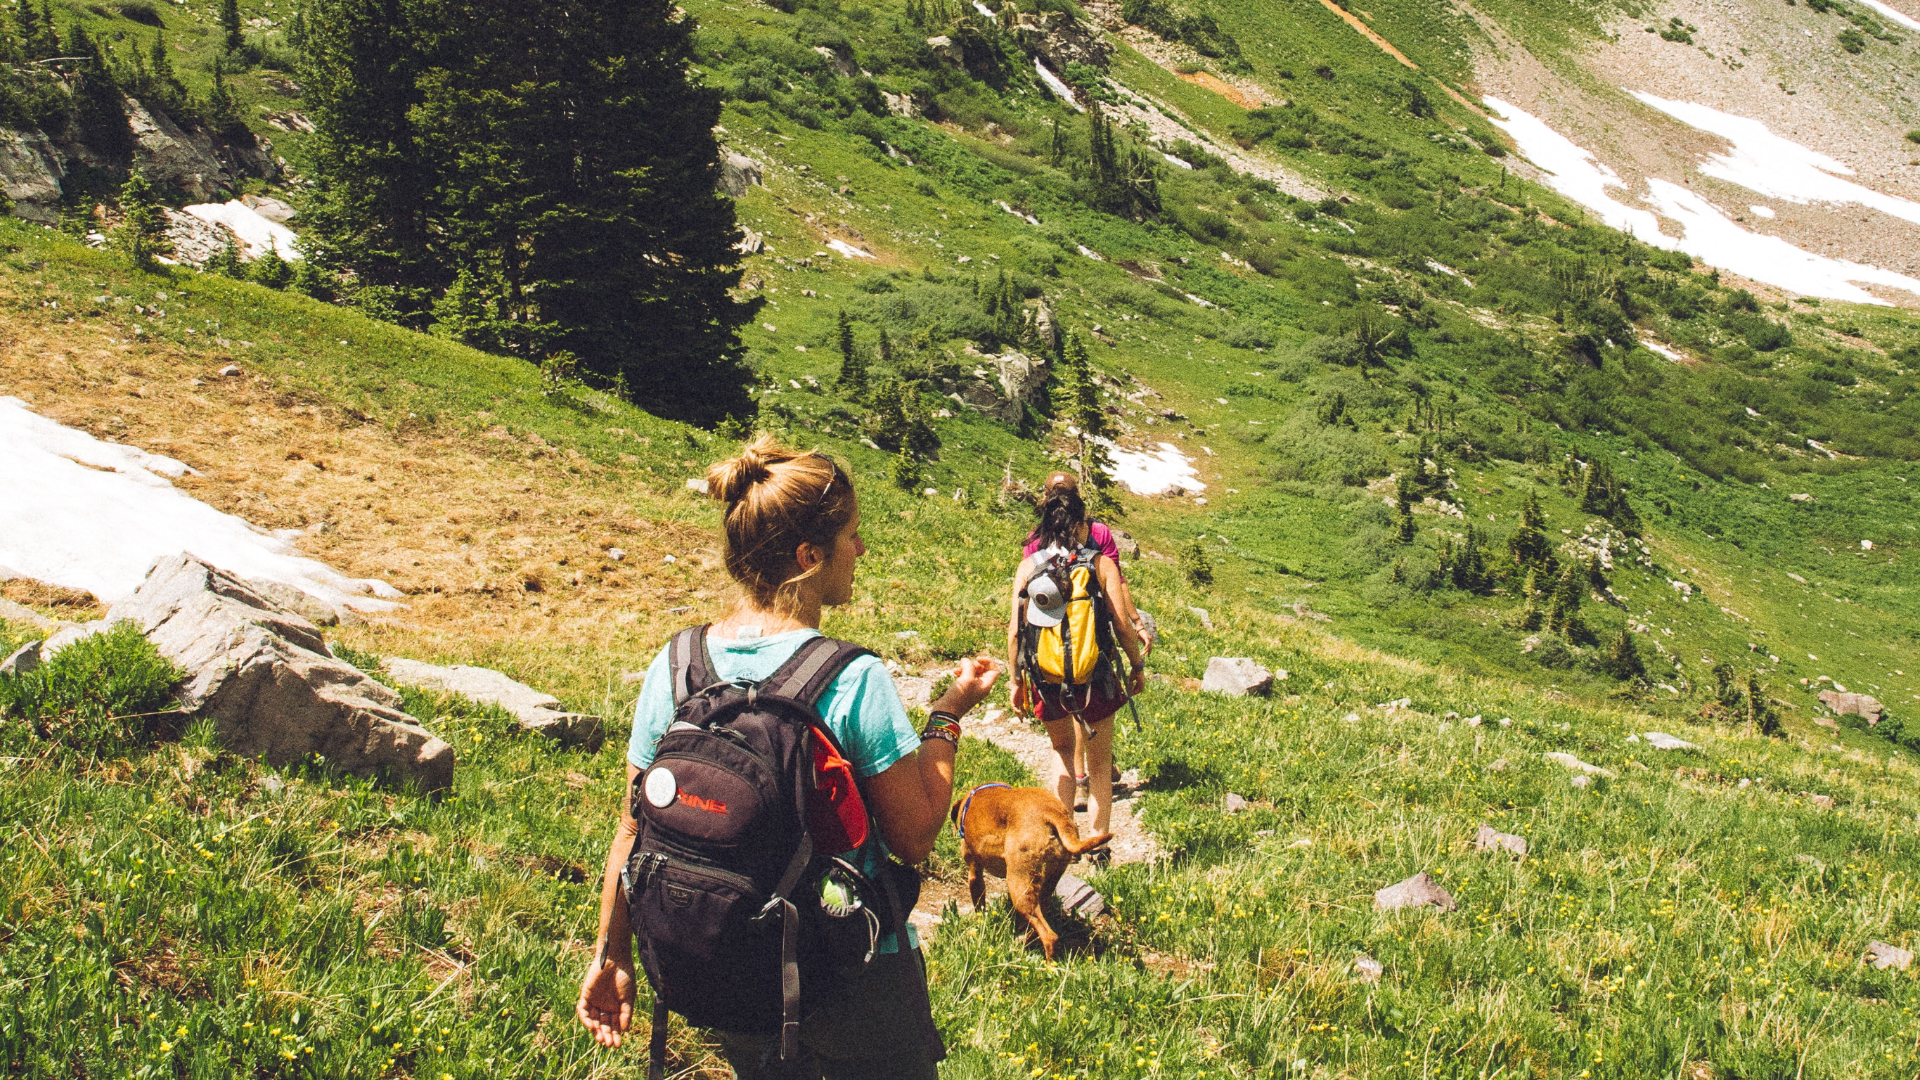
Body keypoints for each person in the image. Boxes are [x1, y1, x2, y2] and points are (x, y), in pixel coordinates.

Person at [577, 435, 1001, 1080]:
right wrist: (945, 718)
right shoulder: (852, 678)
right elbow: (915, 838)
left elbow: (633, 826)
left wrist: (612, 955)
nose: (861, 550)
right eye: (852, 536)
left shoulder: (677, 664)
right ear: (809, 556)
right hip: (846, 976)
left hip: (728, 971)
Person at [1007, 479, 1146, 842]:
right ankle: (1098, 844)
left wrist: (1016, 681)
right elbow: (1120, 624)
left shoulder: (1028, 567)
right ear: (1082, 523)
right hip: (1095, 674)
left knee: (1062, 751)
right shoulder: (1100, 565)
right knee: (1100, 765)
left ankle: (1061, 840)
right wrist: (1136, 665)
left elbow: (1014, 632)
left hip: (1046, 676)